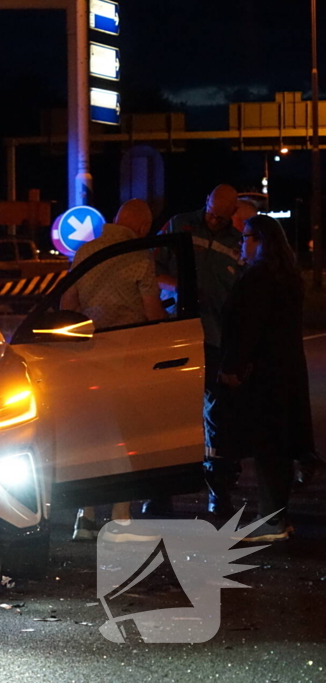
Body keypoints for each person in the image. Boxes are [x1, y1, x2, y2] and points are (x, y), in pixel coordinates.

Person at [62, 199, 165, 541]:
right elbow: (152, 313)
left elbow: (68, 305)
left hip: (89, 353)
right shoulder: (139, 256)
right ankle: (121, 516)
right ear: (141, 229)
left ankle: (85, 516)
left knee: (92, 434)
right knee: (127, 435)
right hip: (128, 356)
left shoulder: (84, 252)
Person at [210, 215, 314, 542]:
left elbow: (248, 329)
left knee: (267, 444)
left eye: (246, 237)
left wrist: (232, 367)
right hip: (285, 370)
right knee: (278, 442)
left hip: (263, 373)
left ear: (261, 240)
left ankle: (272, 520)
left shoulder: (259, 278)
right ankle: (274, 515)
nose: (242, 243)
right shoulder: (287, 276)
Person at [145, 185, 241, 516]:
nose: (215, 221)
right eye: (212, 213)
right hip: (174, 334)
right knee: (169, 415)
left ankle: (219, 493)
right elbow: (151, 269)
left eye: (222, 217)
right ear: (206, 203)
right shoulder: (178, 226)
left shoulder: (237, 242)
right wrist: (181, 288)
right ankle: (160, 495)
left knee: (217, 420)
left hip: (215, 339)